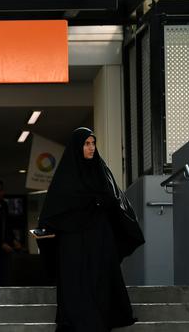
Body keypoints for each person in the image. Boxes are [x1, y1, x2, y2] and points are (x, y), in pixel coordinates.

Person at [37, 127, 144, 331]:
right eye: (87, 144)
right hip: (73, 238)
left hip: (98, 235)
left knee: (100, 276)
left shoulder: (100, 171)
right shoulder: (66, 175)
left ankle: (102, 317)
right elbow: (54, 208)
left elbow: (114, 200)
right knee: (74, 279)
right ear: (78, 147)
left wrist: (99, 202)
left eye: (93, 143)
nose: (91, 147)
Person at [0, 179, 20, 286]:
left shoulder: (4, 205)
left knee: (6, 273)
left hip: (6, 245)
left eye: (1, 190)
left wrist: (13, 240)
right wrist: (0, 243)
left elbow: (8, 225)